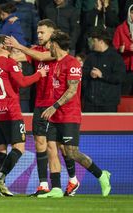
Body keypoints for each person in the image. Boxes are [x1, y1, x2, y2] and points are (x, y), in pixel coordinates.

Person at [6, 19, 79, 197]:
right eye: (37, 32)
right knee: (41, 144)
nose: (38, 35)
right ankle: (44, 185)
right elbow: (19, 57)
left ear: (52, 34)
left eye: (42, 32)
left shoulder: (56, 51)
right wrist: (4, 56)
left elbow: (41, 57)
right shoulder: (35, 50)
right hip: (40, 104)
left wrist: (19, 46)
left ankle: (73, 179)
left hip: (57, 105)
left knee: (62, 148)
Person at [39, 30, 111, 198]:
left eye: (49, 44)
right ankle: (56, 187)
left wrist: (54, 106)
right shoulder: (54, 62)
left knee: (71, 152)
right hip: (54, 115)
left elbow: (72, 90)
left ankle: (101, 175)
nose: (47, 47)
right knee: (51, 148)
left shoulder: (72, 63)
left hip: (68, 115)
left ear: (55, 44)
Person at [0, 34, 46, 196]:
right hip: (11, 112)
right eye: (8, 43)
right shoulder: (10, 62)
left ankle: (1, 187)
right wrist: (39, 74)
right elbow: (23, 83)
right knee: (19, 148)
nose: (11, 45)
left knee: (1, 149)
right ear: (3, 46)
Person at [83, 27, 125, 112]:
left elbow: (119, 78)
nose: (92, 44)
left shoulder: (115, 58)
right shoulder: (90, 57)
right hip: (90, 103)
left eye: (94, 41)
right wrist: (89, 73)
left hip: (108, 104)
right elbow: (83, 72)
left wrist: (102, 75)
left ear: (101, 42)